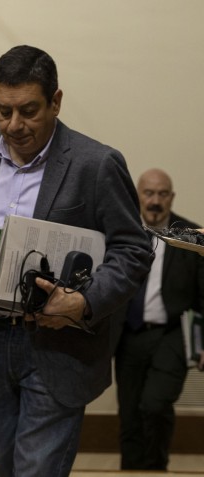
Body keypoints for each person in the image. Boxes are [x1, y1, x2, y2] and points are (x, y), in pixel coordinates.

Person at [0, 45, 152, 477]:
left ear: (56, 101)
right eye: (3, 112)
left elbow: (134, 249)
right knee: (5, 467)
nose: (14, 125)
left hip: (59, 346)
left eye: (28, 111)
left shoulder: (96, 163)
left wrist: (83, 303)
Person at [115, 168, 204, 471]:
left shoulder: (191, 236)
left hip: (171, 335)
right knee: (129, 415)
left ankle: (155, 469)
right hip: (127, 335)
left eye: (162, 194)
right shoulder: (120, 231)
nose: (155, 201)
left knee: (154, 405)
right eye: (148, 193)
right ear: (137, 196)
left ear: (172, 198)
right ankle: (131, 470)